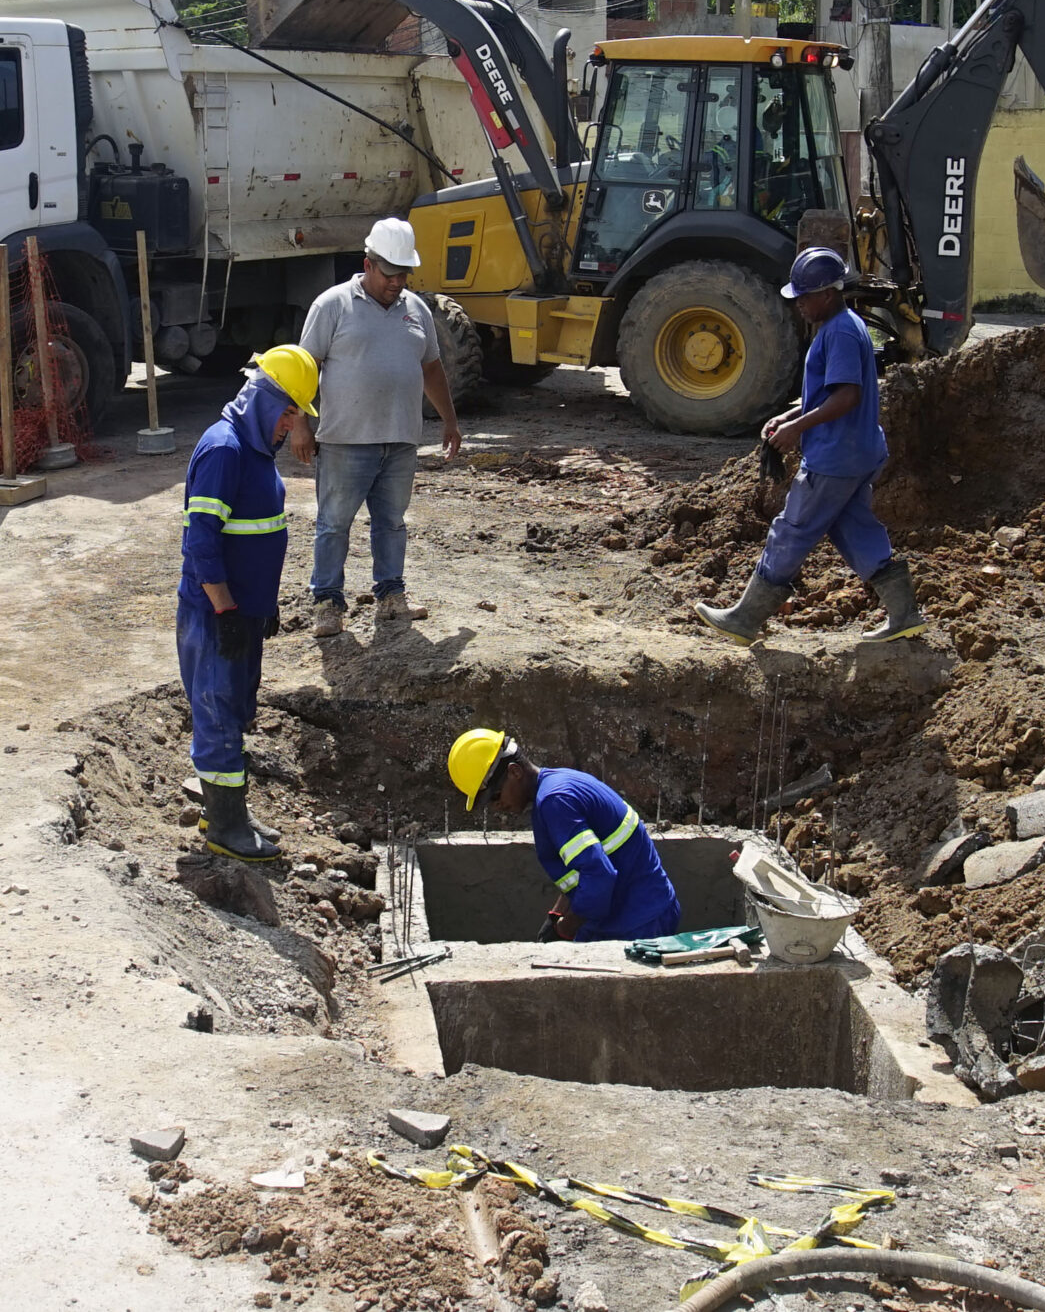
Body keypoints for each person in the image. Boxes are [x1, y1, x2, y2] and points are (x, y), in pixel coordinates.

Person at [696, 246, 925, 647]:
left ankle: (745, 619)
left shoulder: (838, 332)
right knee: (854, 528)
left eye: (804, 296)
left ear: (828, 293)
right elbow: (829, 391)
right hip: (858, 452)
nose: (799, 304)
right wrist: (789, 416)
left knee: (792, 529)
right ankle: (904, 614)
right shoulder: (846, 325)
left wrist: (797, 427)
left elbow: (846, 397)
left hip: (835, 457)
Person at [179, 344, 318, 862]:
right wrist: (225, 609)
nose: (292, 425)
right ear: (265, 399)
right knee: (216, 712)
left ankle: (227, 810)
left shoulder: (256, 450)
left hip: (243, 611)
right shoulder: (225, 451)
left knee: (236, 708)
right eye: (289, 411)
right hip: (217, 614)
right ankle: (225, 829)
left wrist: (261, 605)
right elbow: (202, 542)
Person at [295, 218, 462, 637]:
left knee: (392, 523)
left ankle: (391, 598)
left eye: (404, 273)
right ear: (367, 264)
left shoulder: (416, 308)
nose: (398, 282)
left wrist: (450, 421)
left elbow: (431, 368)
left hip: (401, 440)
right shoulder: (332, 305)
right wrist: (300, 424)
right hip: (345, 441)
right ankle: (328, 603)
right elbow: (302, 369)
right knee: (334, 524)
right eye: (390, 273)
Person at [444, 729, 681, 942]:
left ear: (514, 772)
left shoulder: (554, 802)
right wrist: (556, 914)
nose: (496, 807)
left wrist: (565, 929)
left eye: (495, 796)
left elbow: (599, 874)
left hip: (638, 922)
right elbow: (583, 868)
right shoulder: (555, 786)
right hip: (637, 910)